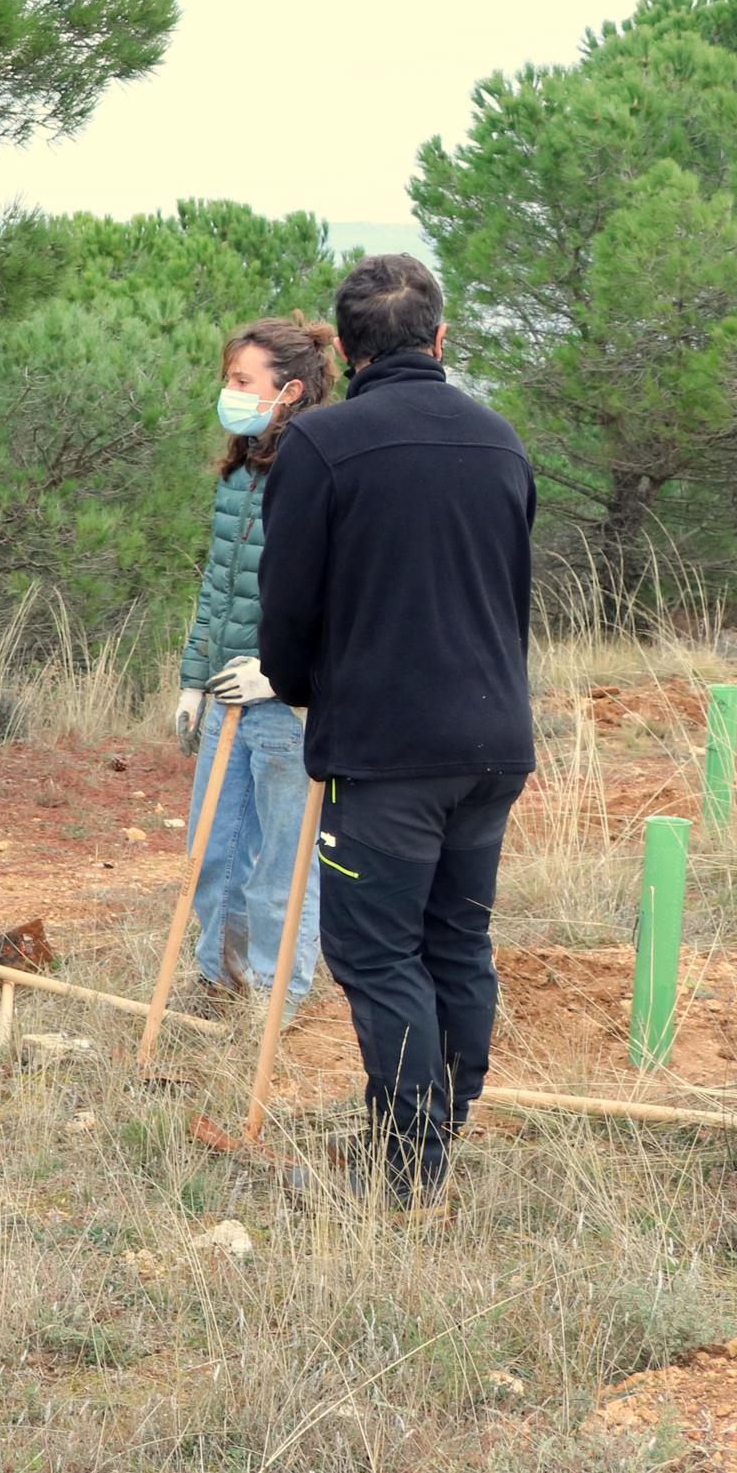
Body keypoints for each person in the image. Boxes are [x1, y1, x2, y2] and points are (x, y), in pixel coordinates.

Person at [257, 254, 535, 1207]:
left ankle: (408, 1170)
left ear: (343, 346)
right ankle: (439, 1135)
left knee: (377, 953)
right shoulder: (501, 440)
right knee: (456, 941)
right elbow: (512, 593)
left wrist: (301, 690)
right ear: (440, 339)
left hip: (387, 753)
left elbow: (286, 611)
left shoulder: (322, 445)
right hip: (496, 738)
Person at [173, 317, 338, 1019]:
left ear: (289, 389)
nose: (228, 392)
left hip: (286, 702)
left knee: (279, 866)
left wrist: (284, 673)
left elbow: (339, 592)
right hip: (223, 690)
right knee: (211, 850)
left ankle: (278, 1001)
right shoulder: (239, 468)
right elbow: (219, 581)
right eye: (229, 378)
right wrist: (191, 678)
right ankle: (220, 982)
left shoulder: (322, 470)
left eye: (241, 381)